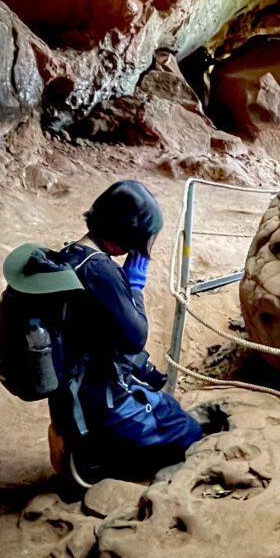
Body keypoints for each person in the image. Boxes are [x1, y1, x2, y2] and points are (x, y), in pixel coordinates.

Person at [33, 180, 203, 487]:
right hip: (103, 403)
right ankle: (93, 453)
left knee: (167, 406)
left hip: (74, 393)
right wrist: (135, 283)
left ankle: (78, 434)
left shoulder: (70, 254)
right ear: (126, 236)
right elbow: (136, 336)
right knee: (188, 432)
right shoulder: (100, 271)